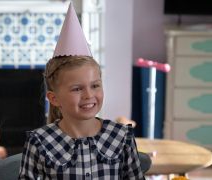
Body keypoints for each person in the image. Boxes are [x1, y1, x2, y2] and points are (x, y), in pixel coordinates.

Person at [19, 3, 144, 179]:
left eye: (95, 85)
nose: (88, 95)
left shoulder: (121, 137)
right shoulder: (39, 142)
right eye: (77, 88)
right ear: (54, 98)